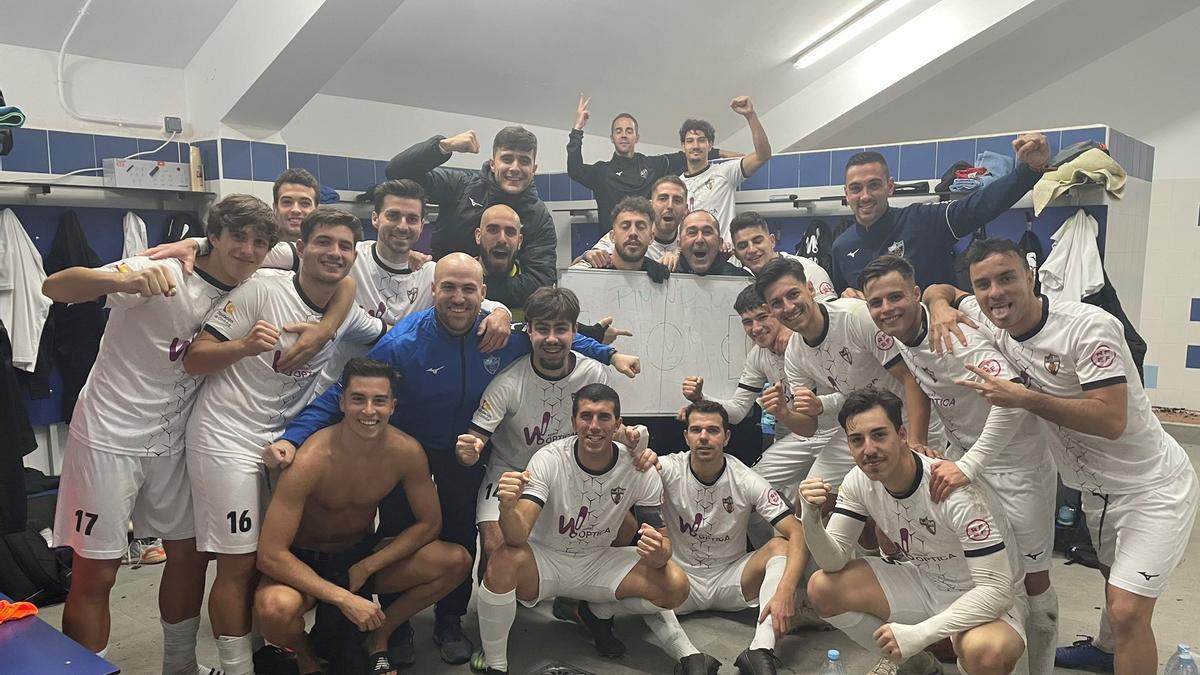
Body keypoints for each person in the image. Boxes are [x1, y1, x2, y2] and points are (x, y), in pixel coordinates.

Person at [268, 254, 639, 666]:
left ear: (483, 293)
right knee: (399, 530)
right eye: (449, 287)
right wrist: (295, 437)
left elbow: (550, 339)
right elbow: (342, 393)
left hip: (468, 448)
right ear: (433, 291)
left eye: (468, 289)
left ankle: (449, 620)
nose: (458, 298)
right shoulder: (403, 343)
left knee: (460, 532)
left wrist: (607, 354)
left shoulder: (496, 332)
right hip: (410, 448)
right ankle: (399, 628)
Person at [923, 238, 1200, 675]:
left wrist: (1024, 398)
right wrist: (939, 304)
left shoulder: (1087, 327)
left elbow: (1111, 419)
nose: (996, 292)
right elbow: (938, 288)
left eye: (1007, 278)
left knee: (1128, 610)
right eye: (983, 284)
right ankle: (1107, 652)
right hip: (1096, 491)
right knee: (1114, 586)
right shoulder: (990, 317)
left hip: (1152, 486)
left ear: (1032, 277)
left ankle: (1117, 645)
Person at [44, 195, 288, 673]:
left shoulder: (255, 278)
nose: (248, 249)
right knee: (97, 571)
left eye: (259, 242)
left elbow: (309, 251)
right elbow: (56, 285)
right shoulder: (163, 271)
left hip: (178, 439)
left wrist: (193, 240)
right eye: (237, 237)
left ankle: (179, 667)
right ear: (216, 236)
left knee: (190, 557)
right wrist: (123, 277)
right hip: (109, 434)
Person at [181, 207, 387, 675]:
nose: (334, 254)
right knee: (237, 564)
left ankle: (264, 652)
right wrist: (247, 346)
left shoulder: (347, 309)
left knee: (263, 560)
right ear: (301, 248)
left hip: (282, 442)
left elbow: (390, 336)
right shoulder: (262, 289)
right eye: (324, 243)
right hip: (226, 437)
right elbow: (196, 357)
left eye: (344, 246)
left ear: (355, 256)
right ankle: (236, 669)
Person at [859, 254, 1058, 673]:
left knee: (1033, 584)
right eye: (876, 303)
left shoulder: (954, 336)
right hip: (966, 458)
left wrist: (969, 466)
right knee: (976, 565)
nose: (886, 309)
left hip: (1017, 470)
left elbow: (1012, 399)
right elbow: (922, 383)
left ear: (915, 295)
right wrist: (915, 442)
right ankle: (964, 643)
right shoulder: (903, 335)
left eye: (896, 297)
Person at [254, 358, 472, 675]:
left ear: (393, 406)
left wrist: (367, 566)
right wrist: (343, 598)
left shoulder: (406, 452)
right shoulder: (312, 459)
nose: (368, 411)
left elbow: (430, 524)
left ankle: (379, 636)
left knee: (457, 560)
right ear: (342, 402)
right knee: (274, 610)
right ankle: (308, 658)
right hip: (304, 561)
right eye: (358, 399)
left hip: (357, 555)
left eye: (379, 401)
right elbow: (270, 555)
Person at [475, 383, 698, 675]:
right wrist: (506, 507)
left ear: (618, 423)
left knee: (676, 584)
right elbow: (517, 537)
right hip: (547, 560)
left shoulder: (638, 468)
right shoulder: (550, 458)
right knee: (502, 559)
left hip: (598, 561)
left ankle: (595, 612)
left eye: (604, 417)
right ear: (573, 421)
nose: (594, 426)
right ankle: (496, 666)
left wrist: (658, 553)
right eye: (586, 416)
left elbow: (664, 547)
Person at [801, 388, 1026, 675]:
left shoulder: (953, 490)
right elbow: (832, 561)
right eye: (857, 440)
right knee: (822, 588)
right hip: (926, 581)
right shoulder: (858, 480)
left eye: (879, 435)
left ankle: (931, 650)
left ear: (903, 435)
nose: (868, 449)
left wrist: (921, 634)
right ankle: (916, 665)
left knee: (987, 652)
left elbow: (997, 591)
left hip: (983, 596)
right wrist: (810, 518)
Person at [652, 400, 810, 675]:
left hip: (731, 580)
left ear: (726, 437)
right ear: (686, 436)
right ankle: (689, 658)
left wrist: (786, 591)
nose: (703, 437)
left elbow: (796, 532)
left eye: (712, 430)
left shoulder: (746, 478)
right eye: (696, 429)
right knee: (641, 565)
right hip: (679, 583)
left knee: (779, 546)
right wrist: (631, 445)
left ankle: (760, 651)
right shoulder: (666, 469)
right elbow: (618, 468)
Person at [313, 179, 512, 395]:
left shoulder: (430, 273)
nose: (402, 226)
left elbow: (475, 299)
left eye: (412, 219)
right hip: (336, 391)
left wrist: (501, 313)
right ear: (375, 218)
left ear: (422, 224)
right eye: (393, 216)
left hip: (398, 399)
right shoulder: (350, 257)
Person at [754, 256, 938, 488]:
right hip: (860, 426)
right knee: (811, 493)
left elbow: (911, 377)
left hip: (911, 418)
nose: (788, 307)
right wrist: (783, 412)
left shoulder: (855, 316)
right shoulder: (795, 354)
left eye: (793, 294)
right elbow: (809, 428)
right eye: (777, 303)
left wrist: (916, 443)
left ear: (810, 288)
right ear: (770, 309)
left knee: (908, 492)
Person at [830, 133, 1051, 296]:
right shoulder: (841, 247)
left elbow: (980, 205)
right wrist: (843, 298)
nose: (865, 196)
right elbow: (839, 301)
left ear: (890, 187)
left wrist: (1029, 171)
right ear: (846, 193)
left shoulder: (923, 221)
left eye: (874, 185)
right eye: (856, 188)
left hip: (939, 343)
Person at [682, 286, 838, 505]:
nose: (755, 328)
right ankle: (778, 539)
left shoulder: (809, 338)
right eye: (747, 322)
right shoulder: (757, 356)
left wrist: (795, 334)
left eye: (762, 317)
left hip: (839, 432)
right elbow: (736, 412)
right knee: (746, 493)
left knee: (818, 502)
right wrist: (701, 398)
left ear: (778, 313)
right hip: (801, 436)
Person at [385, 127, 554, 308]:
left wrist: (465, 289)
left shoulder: (539, 217)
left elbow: (539, 282)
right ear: (493, 164)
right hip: (438, 301)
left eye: (524, 161)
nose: (515, 168)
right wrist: (443, 146)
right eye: (507, 159)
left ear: (534, 169)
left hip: (499, 314)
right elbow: (397, 173)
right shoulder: (462, 186)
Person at [567, 96, 730, 233]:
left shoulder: (652, 165)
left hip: (647, 247)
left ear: (637, 137)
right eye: (619, 131)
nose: (624, 135)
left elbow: (685, 155)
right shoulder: (601, 172)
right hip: (611, 249)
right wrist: (578, 129)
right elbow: (575, 170)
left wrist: (721, 153)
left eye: (629, 131)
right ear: (612, 138)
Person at [678, 97, 772, 242]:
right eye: (690, 141)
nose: (695, 146)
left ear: (710, 145)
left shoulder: (725, 172)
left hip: (725, 257)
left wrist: (750, 115)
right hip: (693, 257)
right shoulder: (677, 186)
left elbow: (763, 155)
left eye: (701, 140)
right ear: (683, 146)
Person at [577, 175, 688, 269]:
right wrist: (587, 255)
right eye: (663, 198)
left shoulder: (690, 240)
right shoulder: (624, 233)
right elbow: (576, 267)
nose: (670, 206)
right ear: (651, 204)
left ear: (686, 210)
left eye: (677, 200)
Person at [729, 211, 836, 297]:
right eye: (743, 246)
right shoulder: (740, 281)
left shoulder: (809, 271)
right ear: (736, 254)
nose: (751, 250)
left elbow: (831, 318)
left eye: (757, 241)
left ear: (772, 241)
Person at [570, 196, 671, 281]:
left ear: (651, 238)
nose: (633, 233)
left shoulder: (662, 278)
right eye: (625, 226)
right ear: (612, 237)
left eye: (641, 227)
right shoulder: (586, 273)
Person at [676, 210, 751, 277]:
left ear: (720, 243)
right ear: (679, 244)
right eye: (692, 233)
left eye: (707, 232)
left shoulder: (741, 279)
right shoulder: (667, 276)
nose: (699, 240)